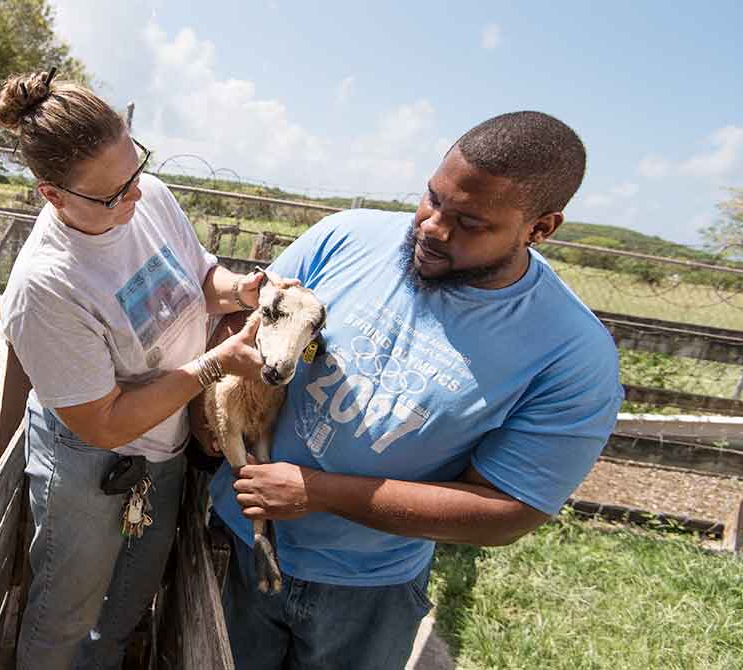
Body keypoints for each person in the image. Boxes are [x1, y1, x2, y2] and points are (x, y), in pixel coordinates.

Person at [203, 111, 624, 670]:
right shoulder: (344, 238)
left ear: (540, 228)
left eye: (469, 222)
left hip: (366, 588)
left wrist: (320, 492)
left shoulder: (571, 355)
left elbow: (509, 512)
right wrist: (211, 418)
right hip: (235, 538)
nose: (431, 227)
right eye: (432, 198)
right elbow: (246, 330)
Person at [0, 69, 277, 670]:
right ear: (53, 194)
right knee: (64, 613)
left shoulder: (148, 199)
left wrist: (242, 290)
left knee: (126, 604)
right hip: (89, 461)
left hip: (163, 448)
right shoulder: (48, 285)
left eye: (137, 171)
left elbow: (201, 275)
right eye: (112, 194)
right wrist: (214, 364)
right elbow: (104, 423)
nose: (137, 197)